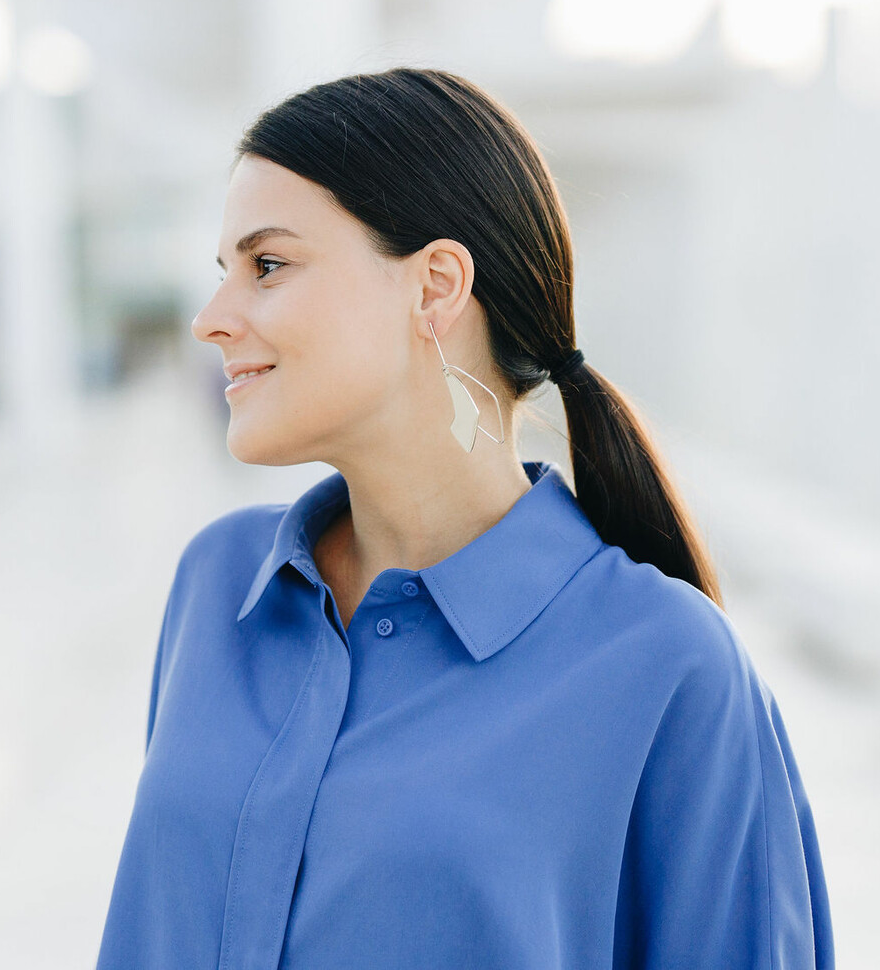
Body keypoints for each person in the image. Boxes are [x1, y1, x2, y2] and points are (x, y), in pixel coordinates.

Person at [94, 68, 834, 969]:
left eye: (268, 265)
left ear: (435, 286)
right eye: (224, 274)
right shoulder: (217, 588)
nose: (213, 319)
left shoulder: (665, 663)